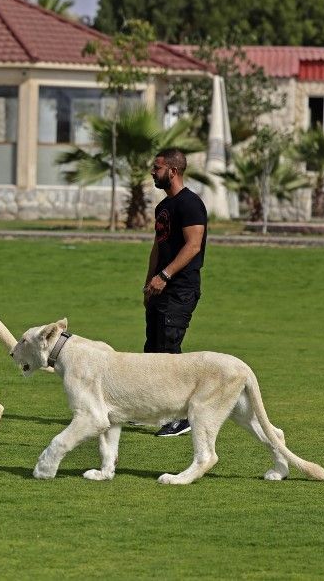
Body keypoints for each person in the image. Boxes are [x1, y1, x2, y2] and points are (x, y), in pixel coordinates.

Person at [143, 148, 208, 437]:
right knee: (153, 352)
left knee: (170, 352)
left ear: (172, 170)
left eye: (156, 168)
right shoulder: (163, 207)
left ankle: (184, 417)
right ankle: (155, 411)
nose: (152, 172)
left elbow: (193, 245)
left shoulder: (191, 204)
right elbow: (158, 247)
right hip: (160, 287)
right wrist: (150, 281)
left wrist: (166, 276)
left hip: (180, 289)